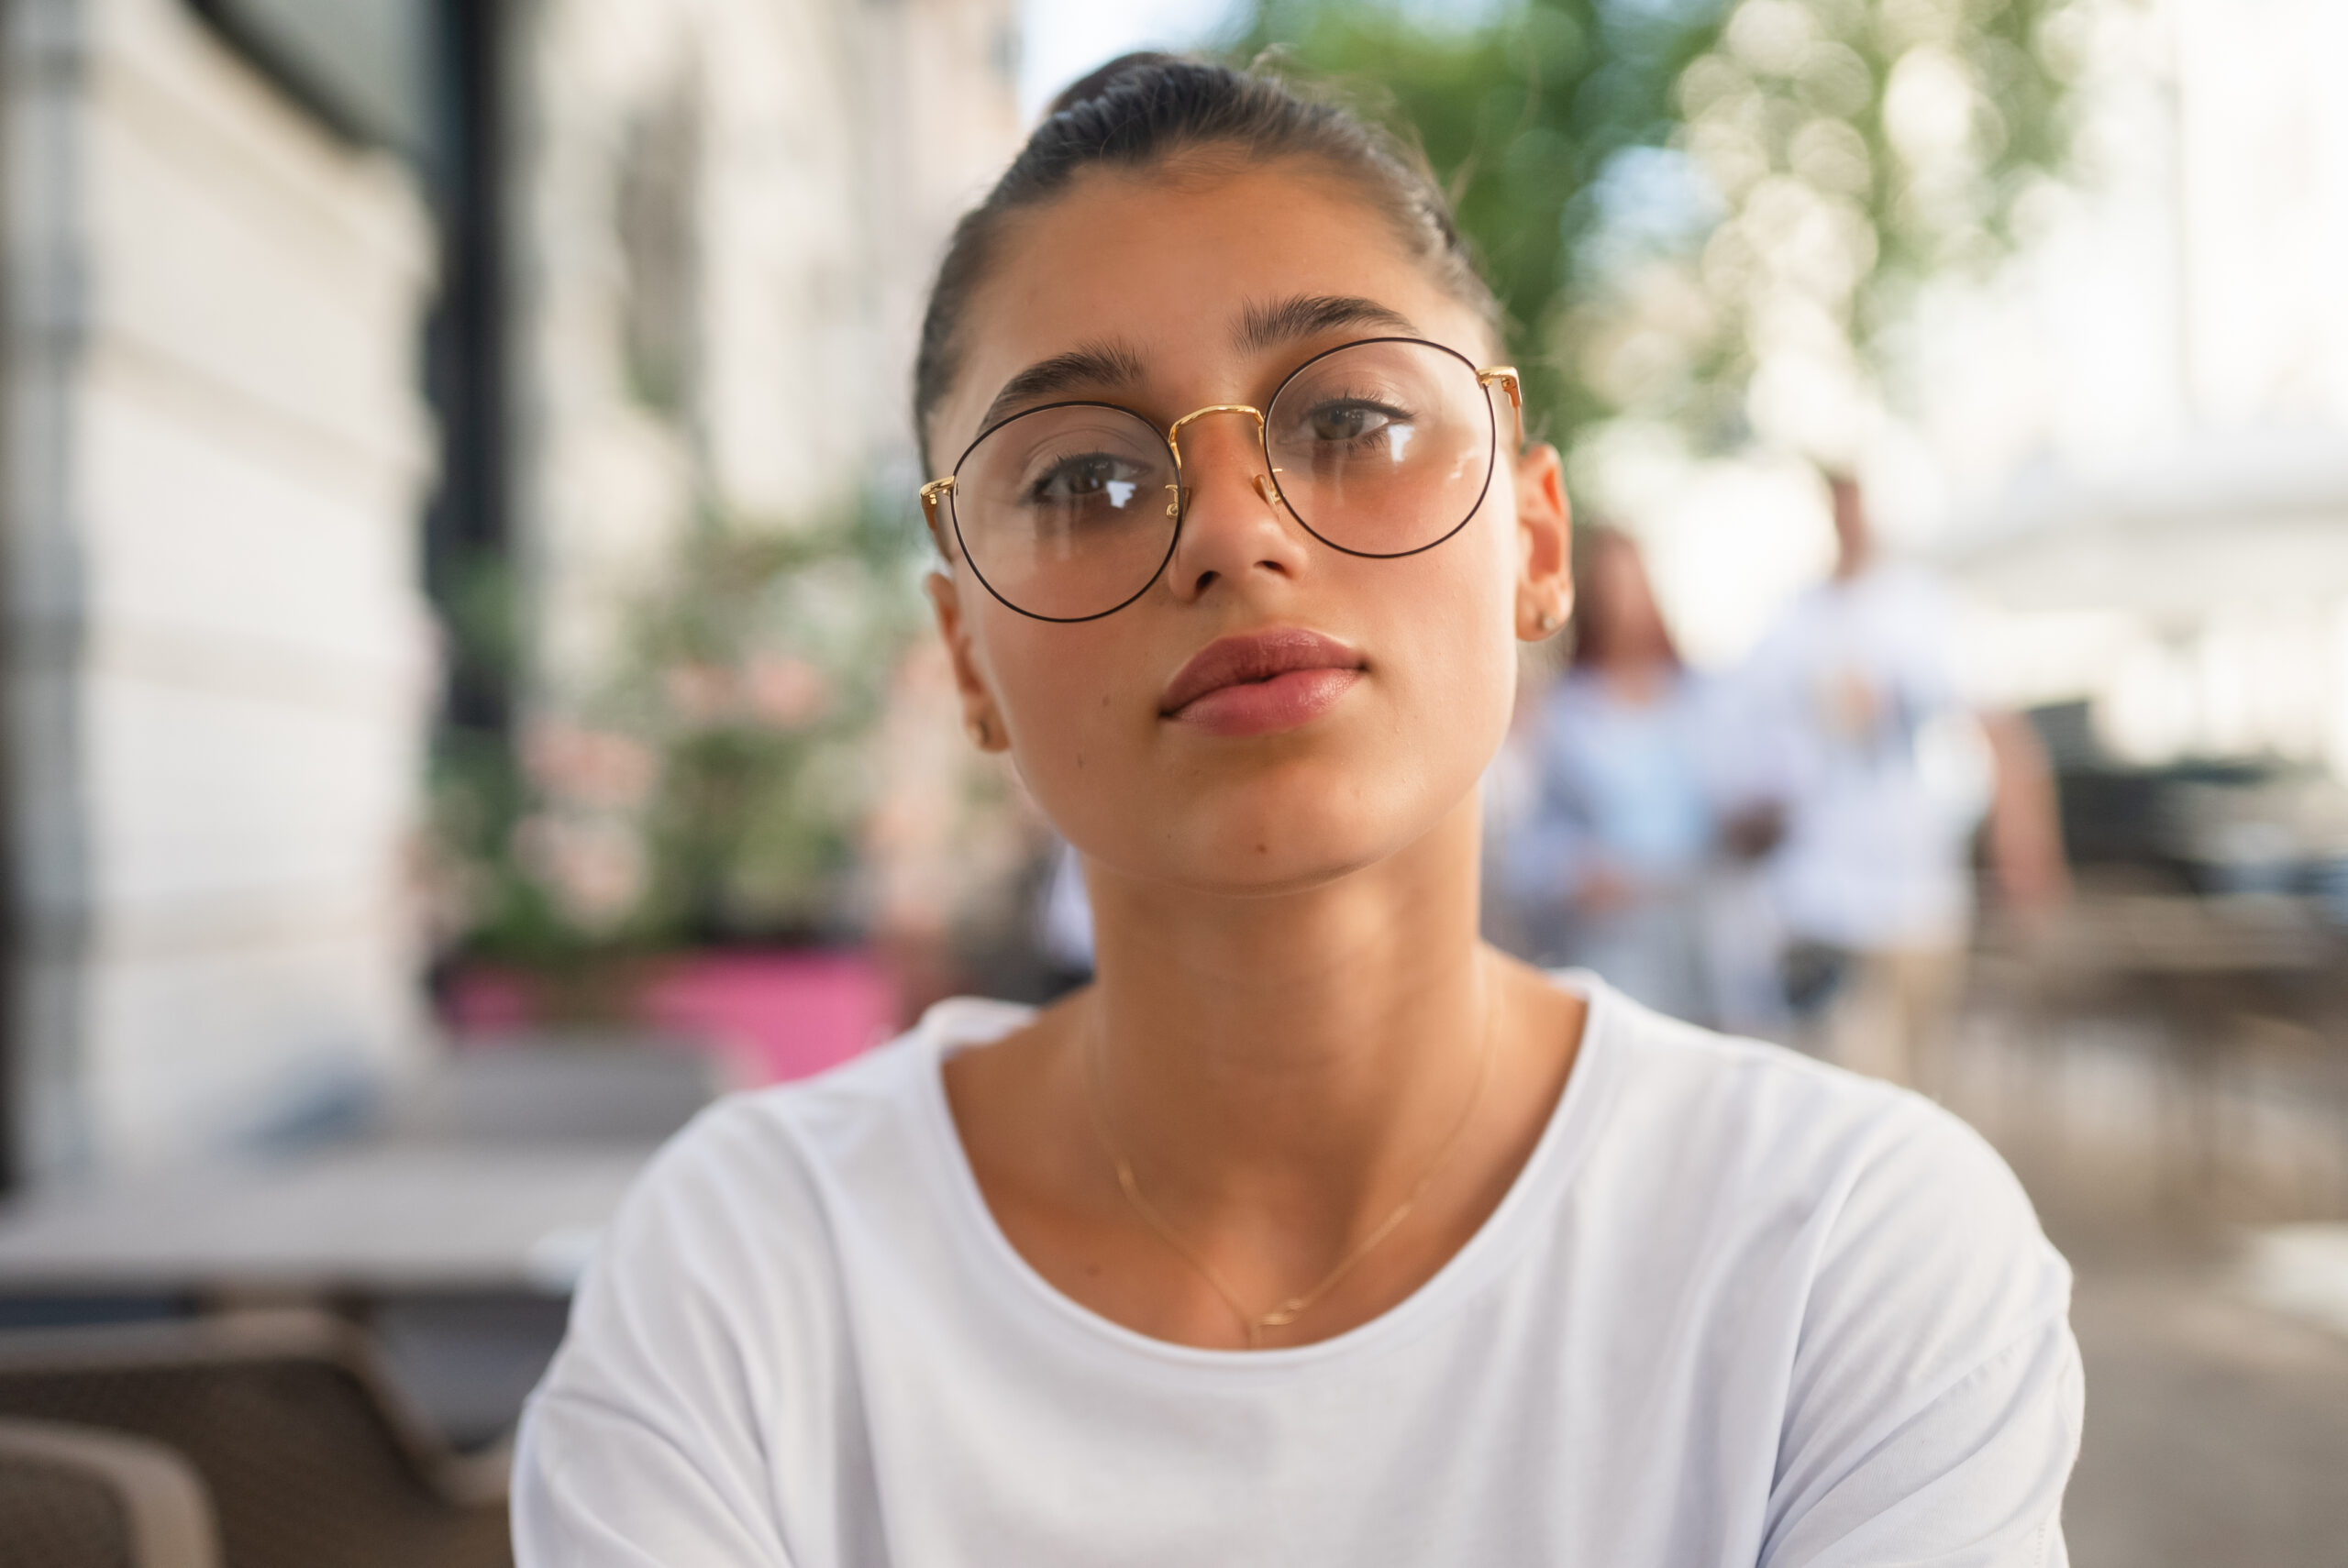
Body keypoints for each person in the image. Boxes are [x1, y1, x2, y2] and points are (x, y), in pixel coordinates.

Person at [514, 57, 2080, 1565]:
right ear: (963, 657)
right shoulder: (751, 1277)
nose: (1234, 531)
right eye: (1082, 481)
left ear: (1536, 540)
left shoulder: (1841, 1259)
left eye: (1351, 423)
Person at [1736, 471, 2066, 1088]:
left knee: (1922, 1086)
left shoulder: (1927, 609)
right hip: (1826, 903)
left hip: (1921, 900)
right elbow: (1756, 758)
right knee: (1853, 1081)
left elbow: (1999, 730)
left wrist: (2024, 845)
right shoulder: (1793, 623)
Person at [1494, 528, 1783, 1030]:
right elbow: (1529, 852)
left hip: (1710, 936)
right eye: (1612, 589)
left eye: (1634, 585)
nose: (1626, 605)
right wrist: (1576, 874)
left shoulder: (1702, 700)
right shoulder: (1568, 718)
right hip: (1620, 948)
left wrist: (1751, 820)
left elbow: (1755, 794)